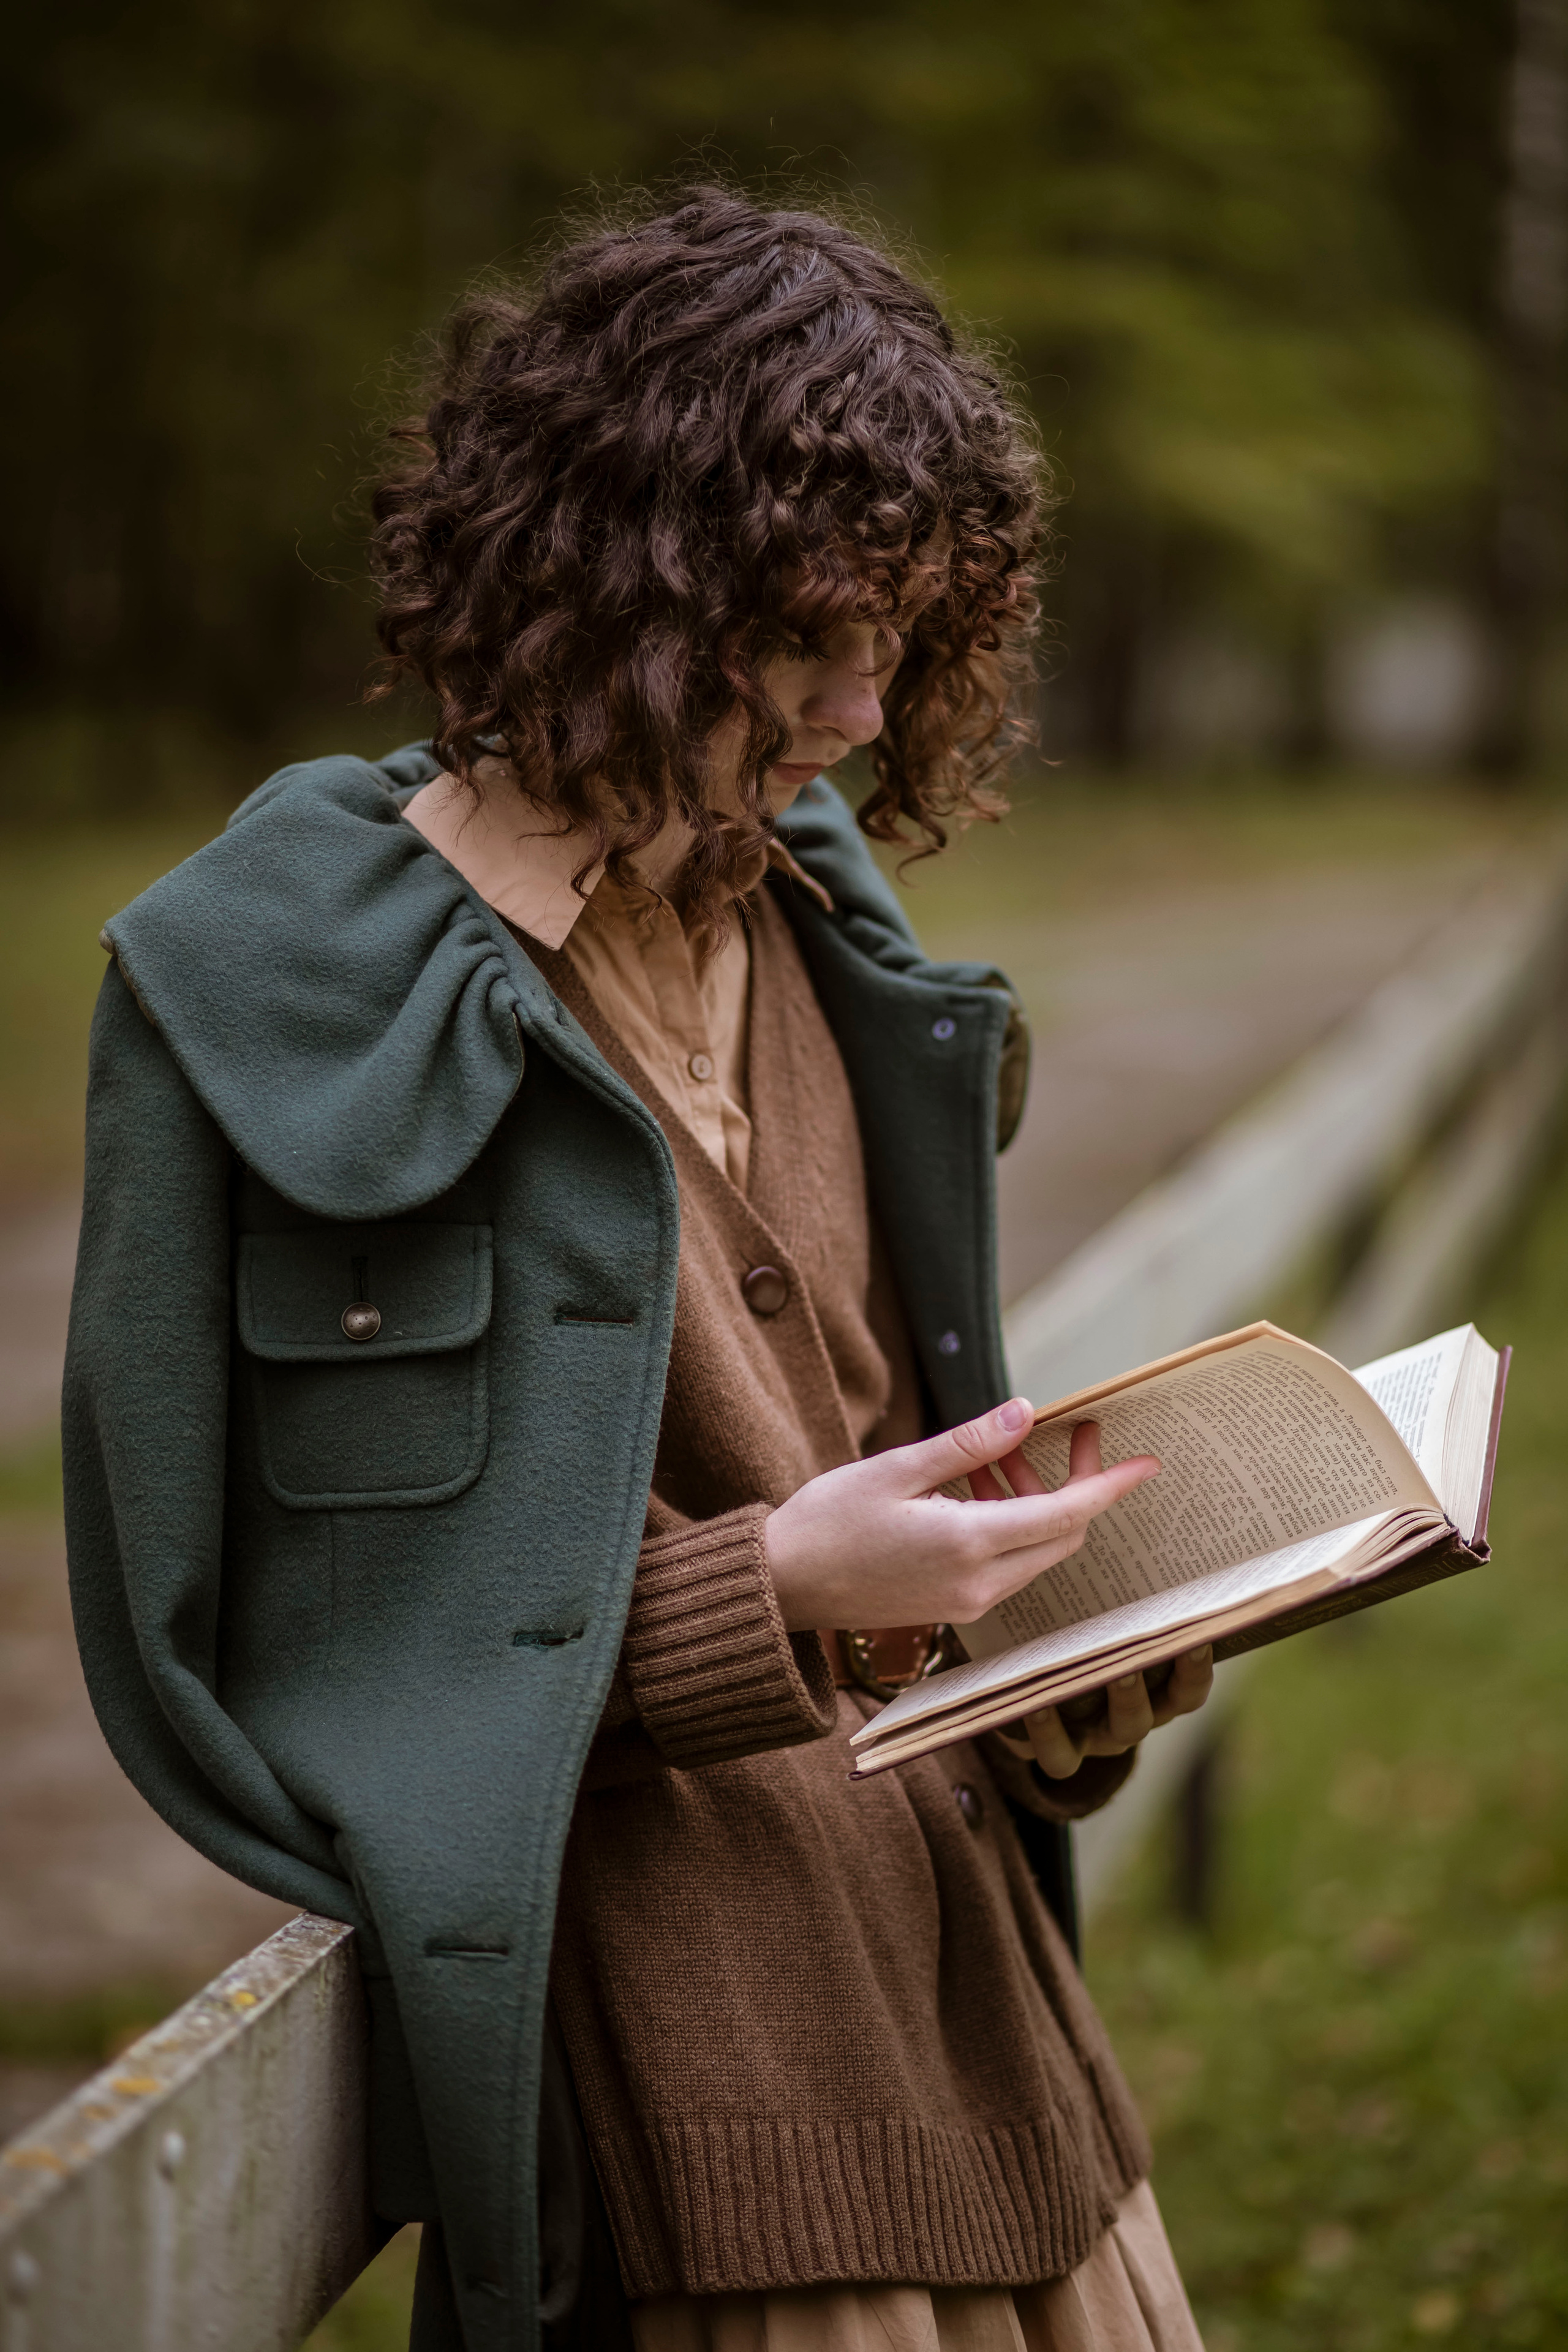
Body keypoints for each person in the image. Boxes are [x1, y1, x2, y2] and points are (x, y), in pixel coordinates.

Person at [63, 188, 1215, 2352]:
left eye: (907, 635)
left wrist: (1060, 1637)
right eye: (807, 641)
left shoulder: (824, 936)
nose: (866, 710)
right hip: (708, 2153)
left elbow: (872, 1468)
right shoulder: (288, 982)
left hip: (1016, 2078)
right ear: (618, 587)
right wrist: (774, 1592)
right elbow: (256, 1659)